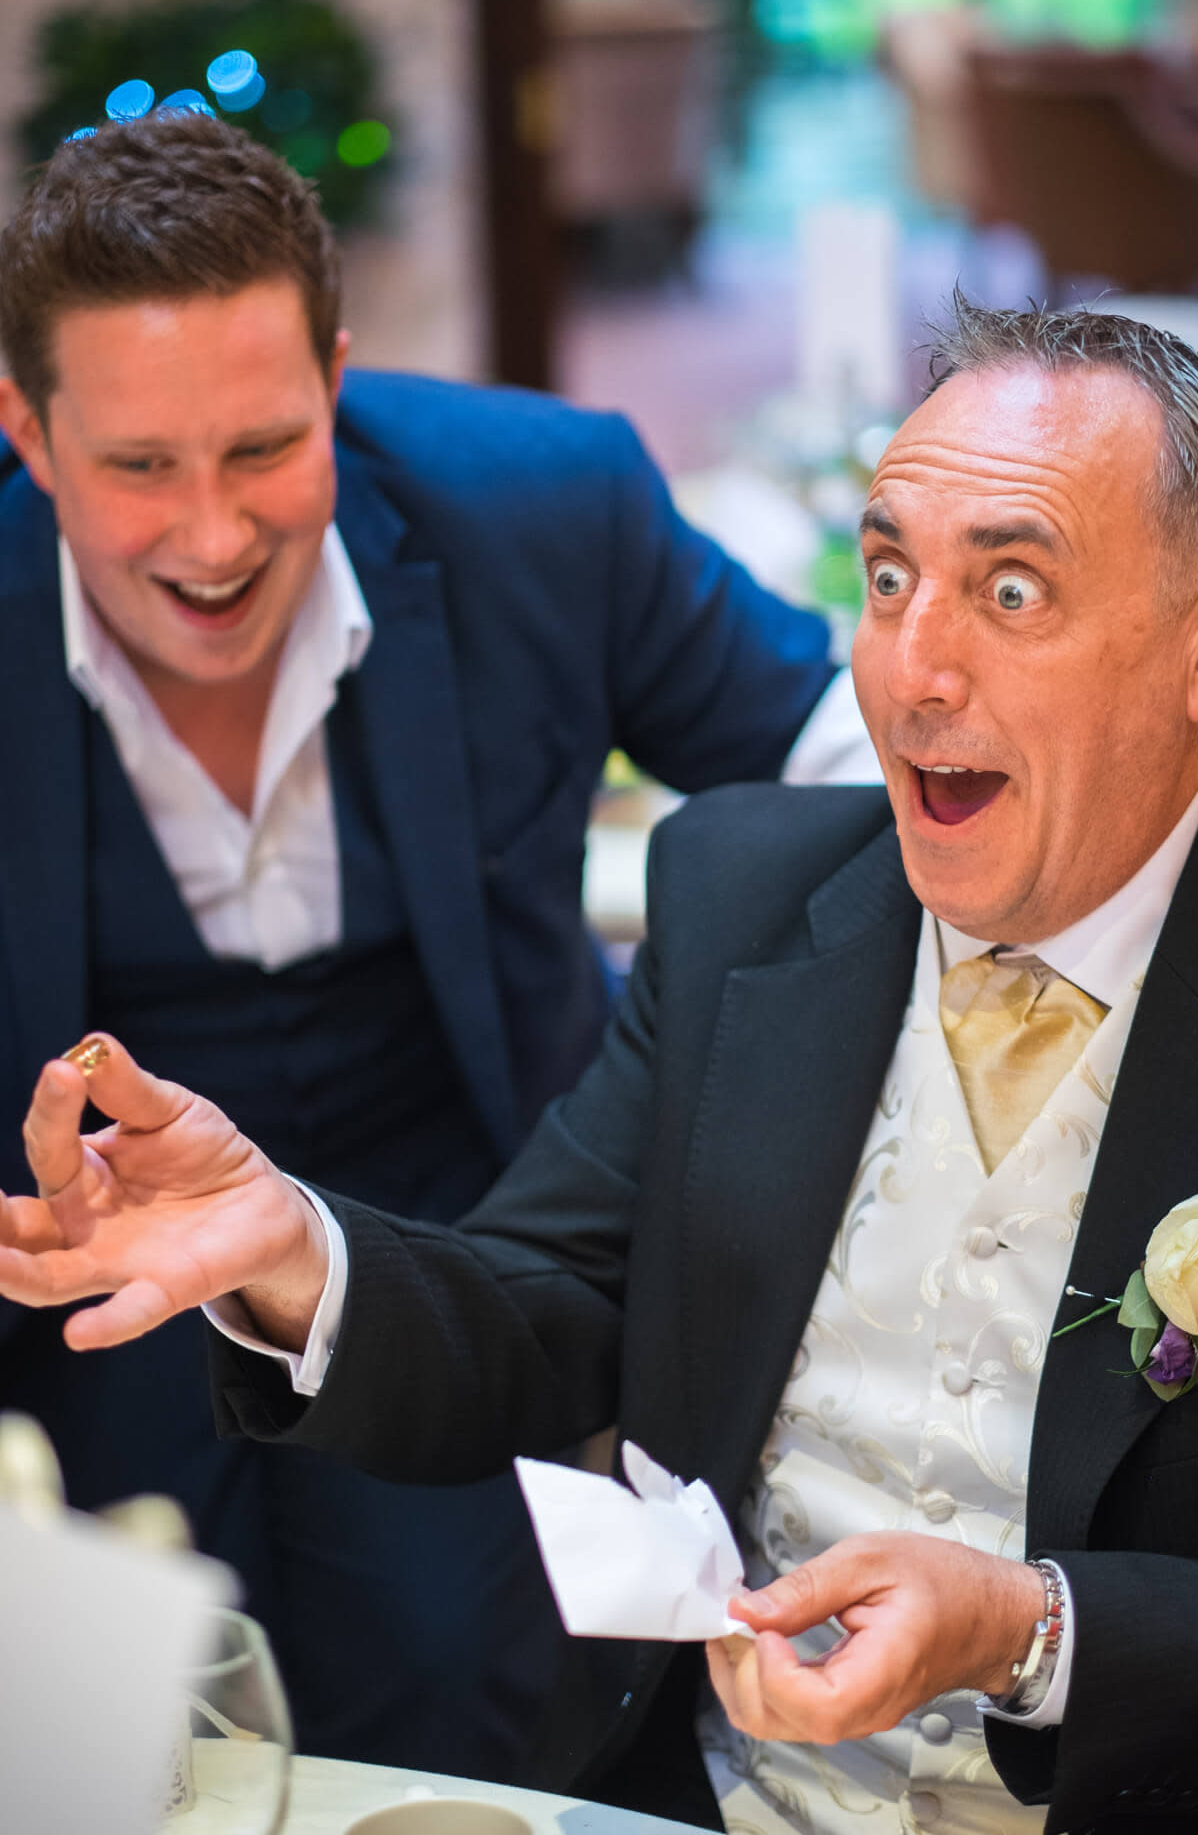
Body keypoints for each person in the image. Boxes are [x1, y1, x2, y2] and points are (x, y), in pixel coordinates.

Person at [4, 299, 1198, 1835]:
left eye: (1011, 589)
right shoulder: (743, 896)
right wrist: (296, 1251)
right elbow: (544, 1313)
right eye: (889, 579)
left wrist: (1038, 1629)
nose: (912, 670)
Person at [0, 109, 876, 1776]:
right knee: (94, 1761)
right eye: (136, 469)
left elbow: (853, 769)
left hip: (456, 1242)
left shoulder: (545, 509)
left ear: (336, 375)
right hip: (79, 1296)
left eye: (263, 448)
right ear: (27, 433)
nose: (209, 536)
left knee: (457, 1746)